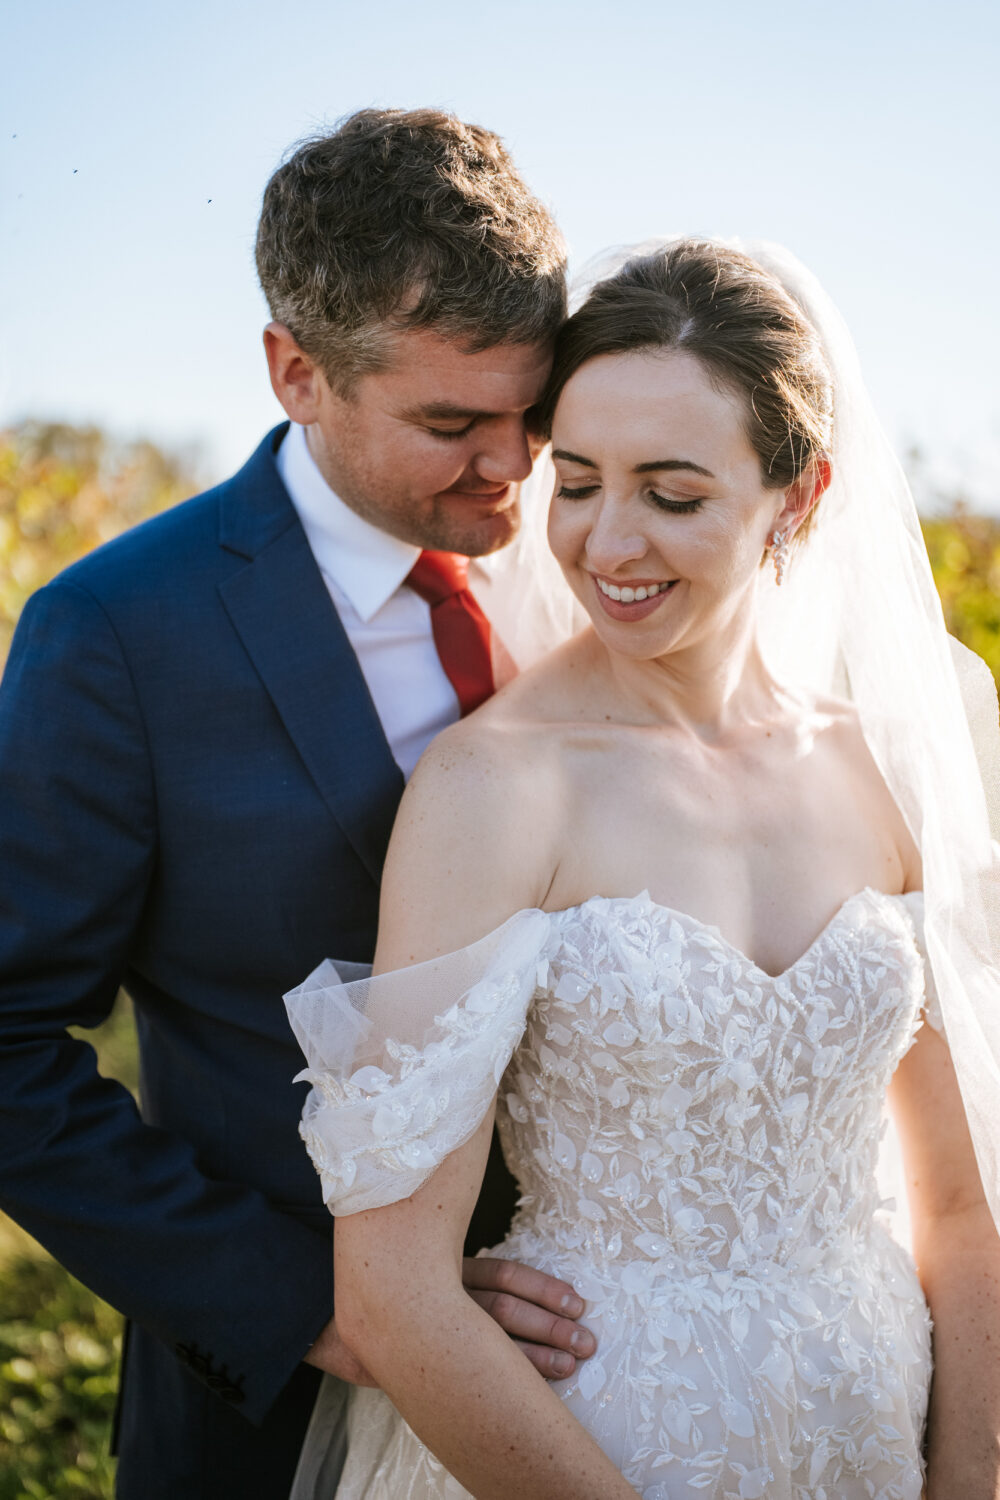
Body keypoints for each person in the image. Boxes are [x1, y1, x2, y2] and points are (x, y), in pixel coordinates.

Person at [285, 239, 1000, 1498]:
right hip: (589, 1447)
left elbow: (959, 1206)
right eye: (576, 482)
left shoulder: (895, 758)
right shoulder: (493, 787)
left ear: (802, 494)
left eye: (672, 495)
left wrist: (969, 1476)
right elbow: (392, 1290)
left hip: (865, 1427)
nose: (607, 544)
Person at [0, 107, 596, 1500]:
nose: (514, 470)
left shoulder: (607, 563)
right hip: (277, 1428)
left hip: (617, 1374)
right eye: (450, 423)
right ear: (296, 373)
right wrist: (332, 1307)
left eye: (535, 414)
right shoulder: (117, 636)